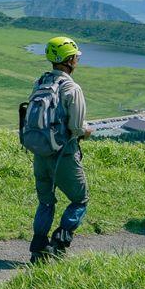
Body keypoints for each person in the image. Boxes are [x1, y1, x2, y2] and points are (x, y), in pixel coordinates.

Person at [24, 36, 91, 264]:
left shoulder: (40, 82)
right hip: (64, 153)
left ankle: (38, 249)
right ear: (69, 60)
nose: (77, 61)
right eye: (76, 57)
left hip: (40, 152)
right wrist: (87, 131)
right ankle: (60, 241)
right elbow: (76, 127)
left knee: (46, 202)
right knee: (80, 199)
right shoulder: (72, 88)